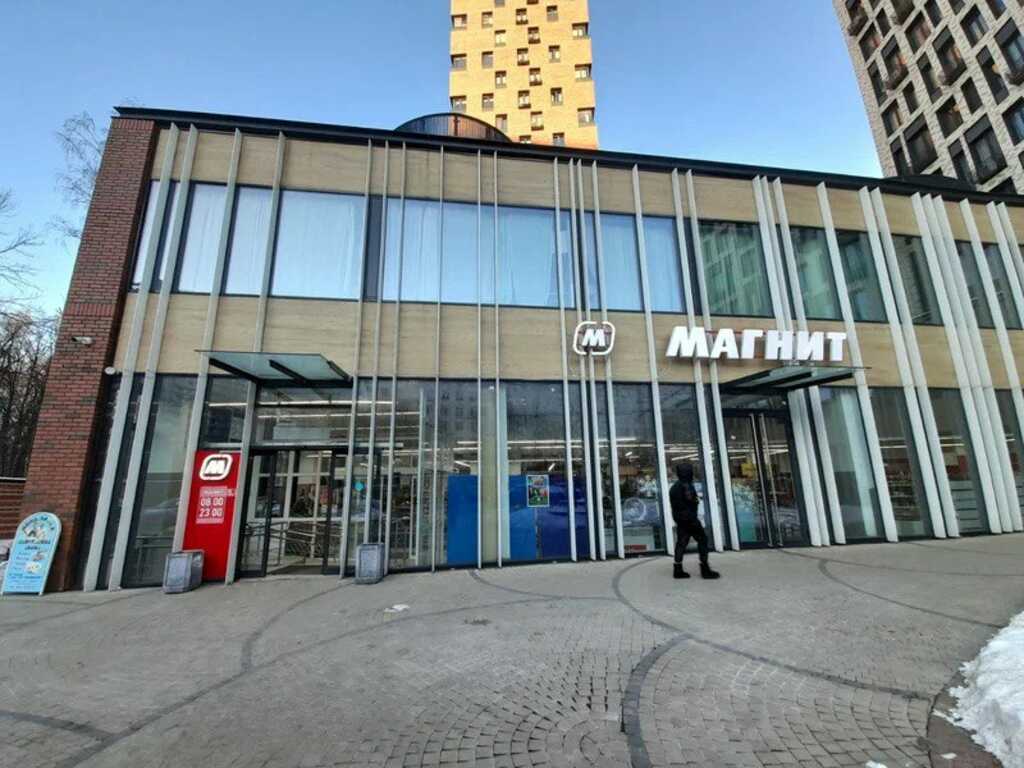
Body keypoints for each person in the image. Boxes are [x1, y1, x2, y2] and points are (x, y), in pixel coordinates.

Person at [670, 463, 720, 580]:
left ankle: (678, 569)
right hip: (689, 518)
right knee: (703, 539)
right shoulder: (686, 486)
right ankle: (705, 569)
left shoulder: (674, 487)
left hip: (680, 519)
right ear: (688, 473)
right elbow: (691, 500)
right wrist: (695, 504)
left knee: (681, 542)